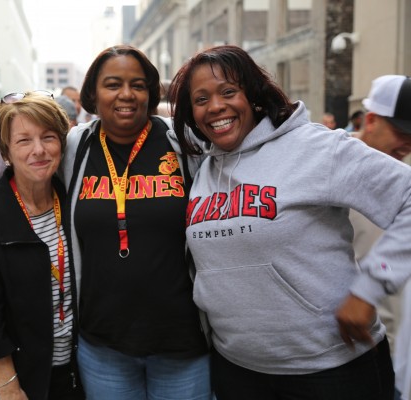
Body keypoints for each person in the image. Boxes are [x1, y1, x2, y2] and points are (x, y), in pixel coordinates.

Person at [168, 45, 411, 400]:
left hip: (331, 372)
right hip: (237, 370)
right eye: (201, 99)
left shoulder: (315, 148)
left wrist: (370, 287)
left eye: (228, 92)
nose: (215, 106)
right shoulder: (204, 168)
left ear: (252, 95)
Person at [62, 45, 211, 399]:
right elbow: (24, 178)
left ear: (151, 92)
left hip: (183, 343)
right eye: (113, 84)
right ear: (93, 95)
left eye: (138, 84)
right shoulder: (74, 148)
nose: (126, 94)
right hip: (103, 346)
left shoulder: (183, 142)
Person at [0, 93, 84, 400]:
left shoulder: (76, 205)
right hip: (17, 380)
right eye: (24, 140)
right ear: (6, 152)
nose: (39, 150)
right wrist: (9, 387)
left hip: (75, 373)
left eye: (48, 137)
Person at [350, 75, 411, 400]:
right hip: (350, 347)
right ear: (371, 120)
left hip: (393, 347)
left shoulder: (402, 178)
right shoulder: (330, 166)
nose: (408, 144)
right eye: (402, 132)